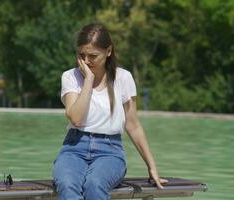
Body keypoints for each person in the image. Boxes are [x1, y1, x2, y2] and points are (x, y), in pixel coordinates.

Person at [52, 23, 167, 200]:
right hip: (74, 148)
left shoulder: (123, 78)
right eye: (82, 55)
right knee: (68, 185)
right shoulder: (70, 77)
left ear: (108, 51)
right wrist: (89, 80)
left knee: (94, 184)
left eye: (93, 56)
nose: (86, 61)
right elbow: (75, 118)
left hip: (110, 151)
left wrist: (151, 166)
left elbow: (133, 125)